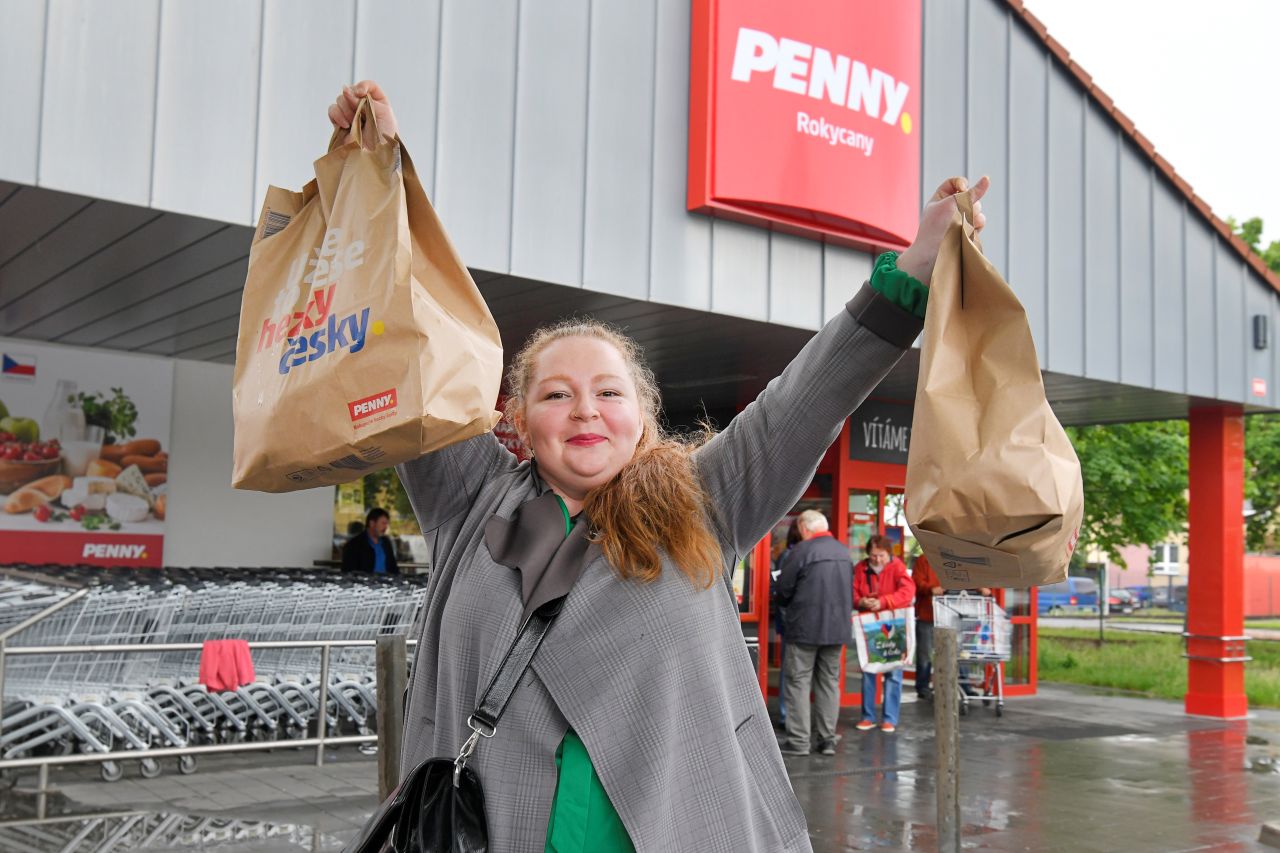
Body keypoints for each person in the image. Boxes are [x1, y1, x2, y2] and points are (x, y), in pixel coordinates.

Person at [329, 81, 988, 852]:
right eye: (556, 393)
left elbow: (806, 397)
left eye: (609, 391)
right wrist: (373, 185)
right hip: (492, 830)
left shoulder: (702, 499)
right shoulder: (467, 497)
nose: (585, 410)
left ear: (641, 415)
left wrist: (912, 269)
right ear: (516, 419)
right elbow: (410, 345)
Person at [774, 510, 854, 756]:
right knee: (829, 683)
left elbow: (784, 589)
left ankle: (799, 741)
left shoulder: (802, 551)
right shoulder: (844, 552)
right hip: (837, 629)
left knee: (798, 683)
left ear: (804, 527)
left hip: (804, 629)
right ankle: (827, 739)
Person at [853, 535, 916, 733]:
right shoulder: (860, 569)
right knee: (868, 670)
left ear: (889, 554)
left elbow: (908, 592)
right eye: (873, 556)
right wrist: (861, 601)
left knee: (894, 672)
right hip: (870, 627)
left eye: (881, 556)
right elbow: (852, 591)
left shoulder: (897, 567)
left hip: (893, 625)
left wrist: (884, 602)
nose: (877, 560)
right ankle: (867, 716)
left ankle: (889, 718)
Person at [911, 552, 943, 700]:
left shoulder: (953, 557)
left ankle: (962, 684)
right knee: (925, 653)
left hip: (950, 614)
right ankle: (923, 686)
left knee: (957, 652)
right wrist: (931, 589)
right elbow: (916, 582)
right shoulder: (924, 559)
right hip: (927, 613)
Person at [340, 507, 400, 575]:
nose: (386, 527)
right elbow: (348, 572)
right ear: (372, 523)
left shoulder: (386, 543)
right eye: (383, 523)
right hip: (364, 584)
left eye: (387, 524)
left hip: (386, 584)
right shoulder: (354, 545)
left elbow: (393, 568)